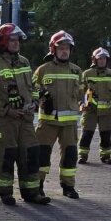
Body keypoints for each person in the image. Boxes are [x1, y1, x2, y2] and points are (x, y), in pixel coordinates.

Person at [0, 23, 51, 206]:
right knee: (7, 155)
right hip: (4, 121)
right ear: (3, 41)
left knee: (30, 154)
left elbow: (33, 88)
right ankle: (5, 192)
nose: (16, 43)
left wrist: (34, 102)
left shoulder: (25, 62)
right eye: (12, 39)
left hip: (25, 120)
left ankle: (32, 193)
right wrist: (7, 110)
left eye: (17, 40)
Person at [33, 31, 83, 199]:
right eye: (61, 48)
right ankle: (37, 185)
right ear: (53, 50)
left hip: (69, 124)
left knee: (70, 155)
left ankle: (68, 186)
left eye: (67, 48)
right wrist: (41, 96)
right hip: (48, 122)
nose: (64, 51)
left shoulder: (76, 71)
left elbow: (82, 94)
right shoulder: (42, 70)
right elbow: (31, 89)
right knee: (42, 155)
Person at [79, 47, 111, 164]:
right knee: (87, 134)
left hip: (106, 112)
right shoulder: (87, 74)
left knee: (106, 135)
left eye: (104, 59)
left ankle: (106, 156)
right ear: (94, 60)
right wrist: (82, 104)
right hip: (90, 111)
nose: (102, 61)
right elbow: (80, 91)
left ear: (107, 60)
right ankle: (82, 155)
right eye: (99, 59)